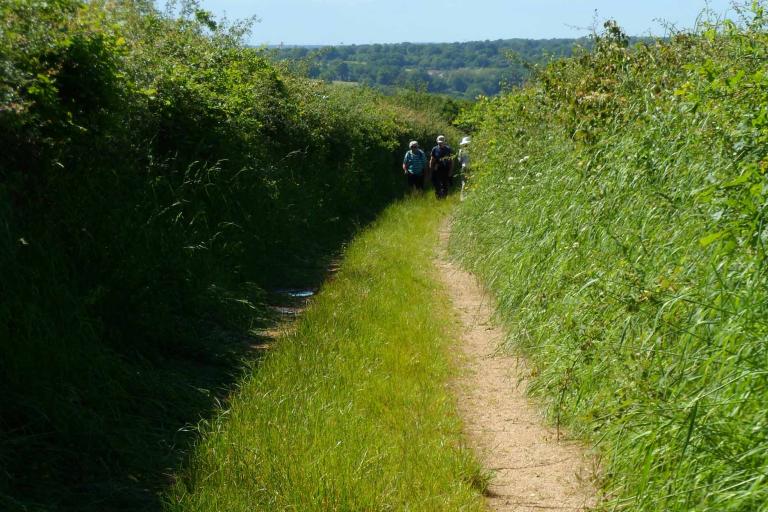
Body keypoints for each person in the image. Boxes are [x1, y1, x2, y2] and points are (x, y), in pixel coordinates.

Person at [457, 136, 471, 201]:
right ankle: (467, 197)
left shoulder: (461, 150)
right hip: (471, 167)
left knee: (463, 182)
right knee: (470, 182)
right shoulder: (473, 150)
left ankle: (462, 198)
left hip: (463, 167)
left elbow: (459, 160)